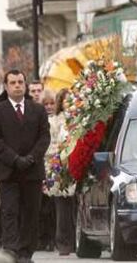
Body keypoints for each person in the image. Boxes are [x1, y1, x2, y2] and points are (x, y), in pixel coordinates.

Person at [0, 70, 50, 263]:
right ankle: (11, 251)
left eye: (20, 82)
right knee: (10, 212)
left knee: (31, 213)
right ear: (6, 86)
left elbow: (44, 137)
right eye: (13, 82)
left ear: (25, 85)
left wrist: (31, 158)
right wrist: (15, 159)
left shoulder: (37, 110)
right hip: (9, 171)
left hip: (32, 171)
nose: (17, 86)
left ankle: (25, 252)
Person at [45, 88, 76, 256]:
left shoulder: (80, 119)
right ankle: (63, 242)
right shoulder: (54, 121)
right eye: (65, 100)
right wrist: (56, 163)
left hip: (76, 166)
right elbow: (50, 145)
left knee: (75, 205)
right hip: (60, 166)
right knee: (62, 206)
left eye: (71, 99)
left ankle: (76, 241)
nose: (69, 103)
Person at [37, 90, 56, 252]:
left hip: (56, 165)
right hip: (41, 164)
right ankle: (42, 238)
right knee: (42, 206)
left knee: (53, 206)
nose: (49, 107)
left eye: (52, 103)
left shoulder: (60, 120)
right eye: (46, 104)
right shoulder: (37, 120)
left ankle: (53, 237)